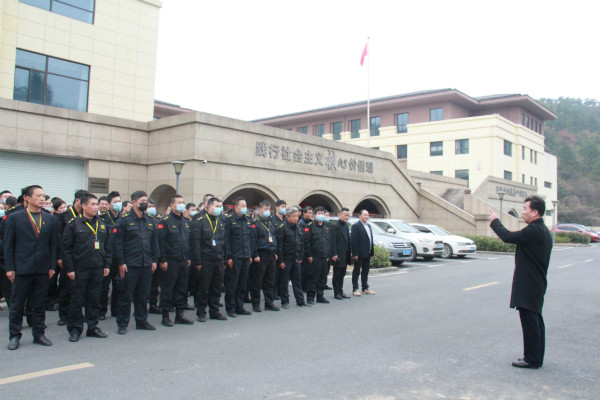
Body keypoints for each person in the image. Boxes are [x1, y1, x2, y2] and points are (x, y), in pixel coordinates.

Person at [489, 196, 553, 369]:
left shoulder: (534, 231)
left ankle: (532, 359)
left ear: (535, 212)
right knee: (535, 319)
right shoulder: (541, 230)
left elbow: (507, 236)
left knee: (530, 320)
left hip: (529, 283)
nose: (523, 212)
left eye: (525, 209)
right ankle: (536, 357)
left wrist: (495, 221)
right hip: (535, 281)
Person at [4, 185, 57, 350]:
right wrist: (10, 267)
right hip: (22, 268)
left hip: (42, 268)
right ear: (27, 198)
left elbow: (53, 245)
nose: (42, 199)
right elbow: (8, 245)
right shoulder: (15, 218)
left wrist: (52, 266)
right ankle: (14, 335)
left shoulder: (49, 218)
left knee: (39, 304)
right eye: (38, 196)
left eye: (43, 196)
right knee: (17, 304)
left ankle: (39, 334)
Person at [61, 194, 111, 342]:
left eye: (97, 204)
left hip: (97, 267)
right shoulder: (73, 224)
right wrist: (69, 269)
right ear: (83, 206)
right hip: (79, 268)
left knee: (94, 299)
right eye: (93, 204)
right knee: (77, 300)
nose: (96, 207)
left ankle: (92, 327)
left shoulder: (102, 224)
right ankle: (75, 329)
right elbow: (66, 248)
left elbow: (108, 247)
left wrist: (107, 265)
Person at [113, 191, 159, 334]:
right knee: (126, 295)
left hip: (146, 263)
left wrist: (154, 260)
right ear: (134, 202)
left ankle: (141, 321)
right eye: (142, 201)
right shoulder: (124, 220)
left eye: (146, 201)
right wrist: (121, 262)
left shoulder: (150, 220)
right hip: (130, 264)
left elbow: (154, 242)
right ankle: (122, 323)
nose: (145, 204)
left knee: (143, 295)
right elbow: (118, 243)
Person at [156, 195, 194, 327]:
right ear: (172, 205)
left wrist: (188, 257)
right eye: (179, 202)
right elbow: (161, 243)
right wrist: (162, 260)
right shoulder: (165, 221)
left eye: (183, 202)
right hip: (170, 260)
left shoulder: (185, 221)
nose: (182, 204)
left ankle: (180, 314)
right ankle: (165, 315)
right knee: (167, 289)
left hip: (183, 259)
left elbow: (187, 242)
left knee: (182, 288)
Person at [190, 197, 228, 322]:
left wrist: (224, 259)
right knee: (204, 288)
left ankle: (214, 311)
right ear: (208, 207)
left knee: (217, 287)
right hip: (206, 259)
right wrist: (197, 261)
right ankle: (201, 312)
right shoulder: (200, 222)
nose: (219, 209)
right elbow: (196, 243)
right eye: (216, 206)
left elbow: (224, 242)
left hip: (218, 259)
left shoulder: (220, 222)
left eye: (220, 206)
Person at [56, 189, 90, 326]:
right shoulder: (64, 217)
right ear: (77, 201)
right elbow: (59, 239)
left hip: (83, 257)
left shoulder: (87, 217)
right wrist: (60, 257)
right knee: (66, 287)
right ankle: (63, 314)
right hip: (68, 257)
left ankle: (78, 314)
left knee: (81, 289)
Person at [223, 197, 256, 317]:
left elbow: (250, 239)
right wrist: (228, 257)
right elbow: (226, 240)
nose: (244, 208)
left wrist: (250, 254)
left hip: (245, 256)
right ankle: (230, 308)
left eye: (245, 206)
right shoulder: (229, 220)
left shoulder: (248, 220)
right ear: (236, 207)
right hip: (234, 256)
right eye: (242, 206)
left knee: (242, 283)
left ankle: (239, 306)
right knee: (232, 284)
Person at [276, 207, 309, 308]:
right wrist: (281, 261)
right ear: (287, 217)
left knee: (297, 280)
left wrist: (300, 256)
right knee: (284, 281)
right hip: (286, 258)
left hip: (296, 258)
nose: (296, 218)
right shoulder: (282, 228)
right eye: (293, 216)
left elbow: (301, 243)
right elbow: (279, 246)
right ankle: (284, 301)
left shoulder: (298, 227)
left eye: (297, 216)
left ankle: (300, 301)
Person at [249, 200, 279, 312]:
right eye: (265, 209)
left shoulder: (269, 222)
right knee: (257, 281)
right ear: (260, 209)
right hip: (260, 255)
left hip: (270, 254)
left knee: (270, 280)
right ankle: (256, 304)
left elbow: (273, 237)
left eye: (269, 209)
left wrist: (275, 252)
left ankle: (269, 303)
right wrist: (255, 254)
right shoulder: (255, 223)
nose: (267, 211)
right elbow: (253, 240)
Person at [99, 191, 122, 319]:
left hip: (119, 256)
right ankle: (101, 311)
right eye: (115, 202)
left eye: (119, 201)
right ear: (109, 204)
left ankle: (116, 310)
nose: (118, 204)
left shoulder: (123, 218)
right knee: (104, 286)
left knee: (118, 284)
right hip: (106, 257)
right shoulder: (102, 219)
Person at [304, 206, 331, 304]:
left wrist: (328, 255)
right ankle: (310, 297)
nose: (321, 215)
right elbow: (306, 242)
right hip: (314, 257)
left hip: (324, 257)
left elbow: (328, 242)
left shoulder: (326, 226)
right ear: (314, 215)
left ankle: (320, 296)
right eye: (319, 214)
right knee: (313, 278)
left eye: (322, 214)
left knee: (323, 278)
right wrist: (309, 255)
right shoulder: (310, 226)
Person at [350, 210, 376, 296]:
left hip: (367, 253)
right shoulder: (356, 226)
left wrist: (371, 252)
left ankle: (365, 288)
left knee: (365, 271)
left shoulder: (368, 226)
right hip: (359, 253)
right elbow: (353, 241)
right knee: (356, 271)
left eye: (367, 215)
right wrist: (355, 254)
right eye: (365, 215)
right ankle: (355, 289)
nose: (366, 216)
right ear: (360, 216)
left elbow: (370, 240)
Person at [330, 208, 352, 300]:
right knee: (337, 274)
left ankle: (341, 291)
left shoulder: (346, 225)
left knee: (342, 273)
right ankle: (336, 292)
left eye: (348, 216)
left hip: (345, 253)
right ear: (340, 215)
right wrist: (334, 254)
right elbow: (332, 241)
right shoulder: (335, 226)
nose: (347, 217)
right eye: (345, 215)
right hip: (338, 254)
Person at [298, 206, 313, 292]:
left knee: (310, 270)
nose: (310, 215)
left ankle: (308, 286)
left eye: (311, 213)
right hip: (304, 250)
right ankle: (302, 287)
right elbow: (304, 239)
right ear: (304, 213)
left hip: (311, 248)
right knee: (304, 270)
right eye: (309, 213)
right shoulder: (301, 223)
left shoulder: (312, 222)